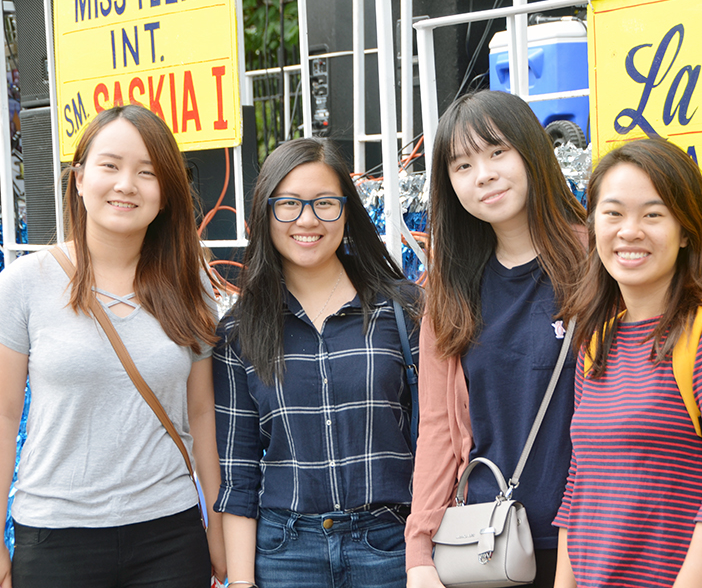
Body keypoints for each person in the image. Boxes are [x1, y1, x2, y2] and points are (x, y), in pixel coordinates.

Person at [0, 105, 226, 587]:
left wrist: (217, 524)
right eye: (110, 165)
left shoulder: (191, 286)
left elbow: (202, 413)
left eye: (147, 172)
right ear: (78, 179)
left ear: (165, 194)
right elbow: (2, 418)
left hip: (169, 535)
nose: (126, 184)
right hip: (55, 537)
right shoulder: (23, 284)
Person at [552, 138, 702, 588]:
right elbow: (581, 484)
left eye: (653, 214)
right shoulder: (597, 338)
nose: (630, 231)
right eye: (613, 213)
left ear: (687, 230)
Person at [213, 137, 422, 588]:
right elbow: (239, 473)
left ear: (346, 211)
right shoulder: (239, 331)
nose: (307, 219)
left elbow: (437, 440)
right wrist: (243, 582)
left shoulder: (402, 311)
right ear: (265, 214)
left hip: (390, 545)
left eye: (324, 203)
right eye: (288, 204)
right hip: (285, 553)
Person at [405, 90, 587, 588]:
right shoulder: (448, 289)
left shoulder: (595, 262)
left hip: (591, 540)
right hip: (488, 546)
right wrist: (419, 551)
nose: (482, 174)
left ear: (531, 152)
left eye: (497, 152)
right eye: (462, 166)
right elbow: (439, 428)